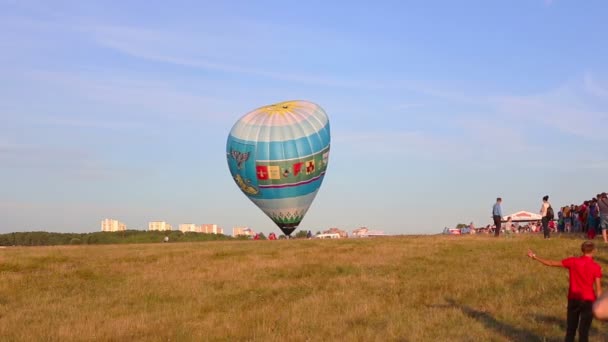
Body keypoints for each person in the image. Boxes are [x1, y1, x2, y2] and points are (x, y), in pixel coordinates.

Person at [527, 241, 602, 342]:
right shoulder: (596, 267)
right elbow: (598, 289)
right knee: (584, 331)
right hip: (588, 300)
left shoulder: (573, 261)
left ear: (582, 250)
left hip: (573, 298)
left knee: (570, 329)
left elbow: (551, 263)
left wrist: (535, 256)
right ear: (594, 251)